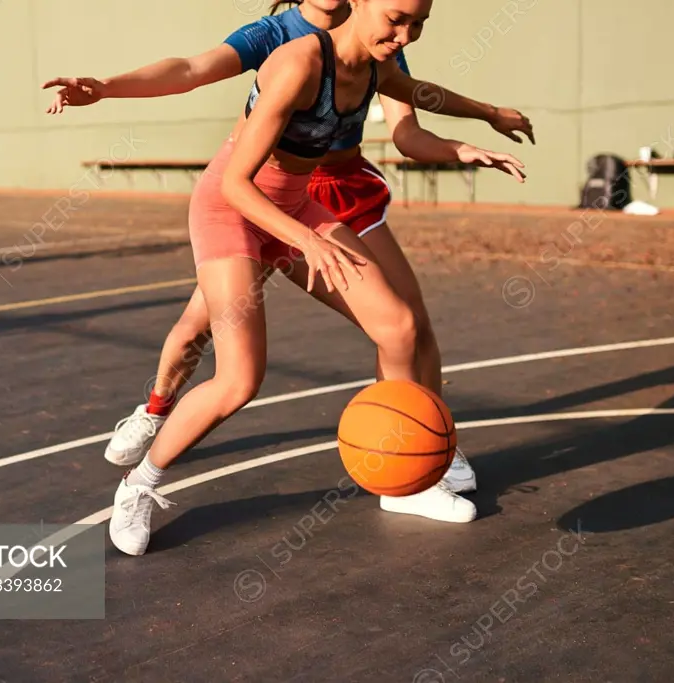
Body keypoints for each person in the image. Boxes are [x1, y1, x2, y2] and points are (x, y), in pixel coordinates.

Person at [43, 0, 531, 551]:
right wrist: (106, 86)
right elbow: (234, 181)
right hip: (233, 210)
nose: (406, 34)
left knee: (399, 327)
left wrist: (481, 125)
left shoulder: (376, 64)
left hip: (297, 207)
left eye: (418, 24)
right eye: (397, 18)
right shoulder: (295, 58)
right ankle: (140, 483)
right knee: (239, 379)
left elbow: (423, 95)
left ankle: (401, 482)